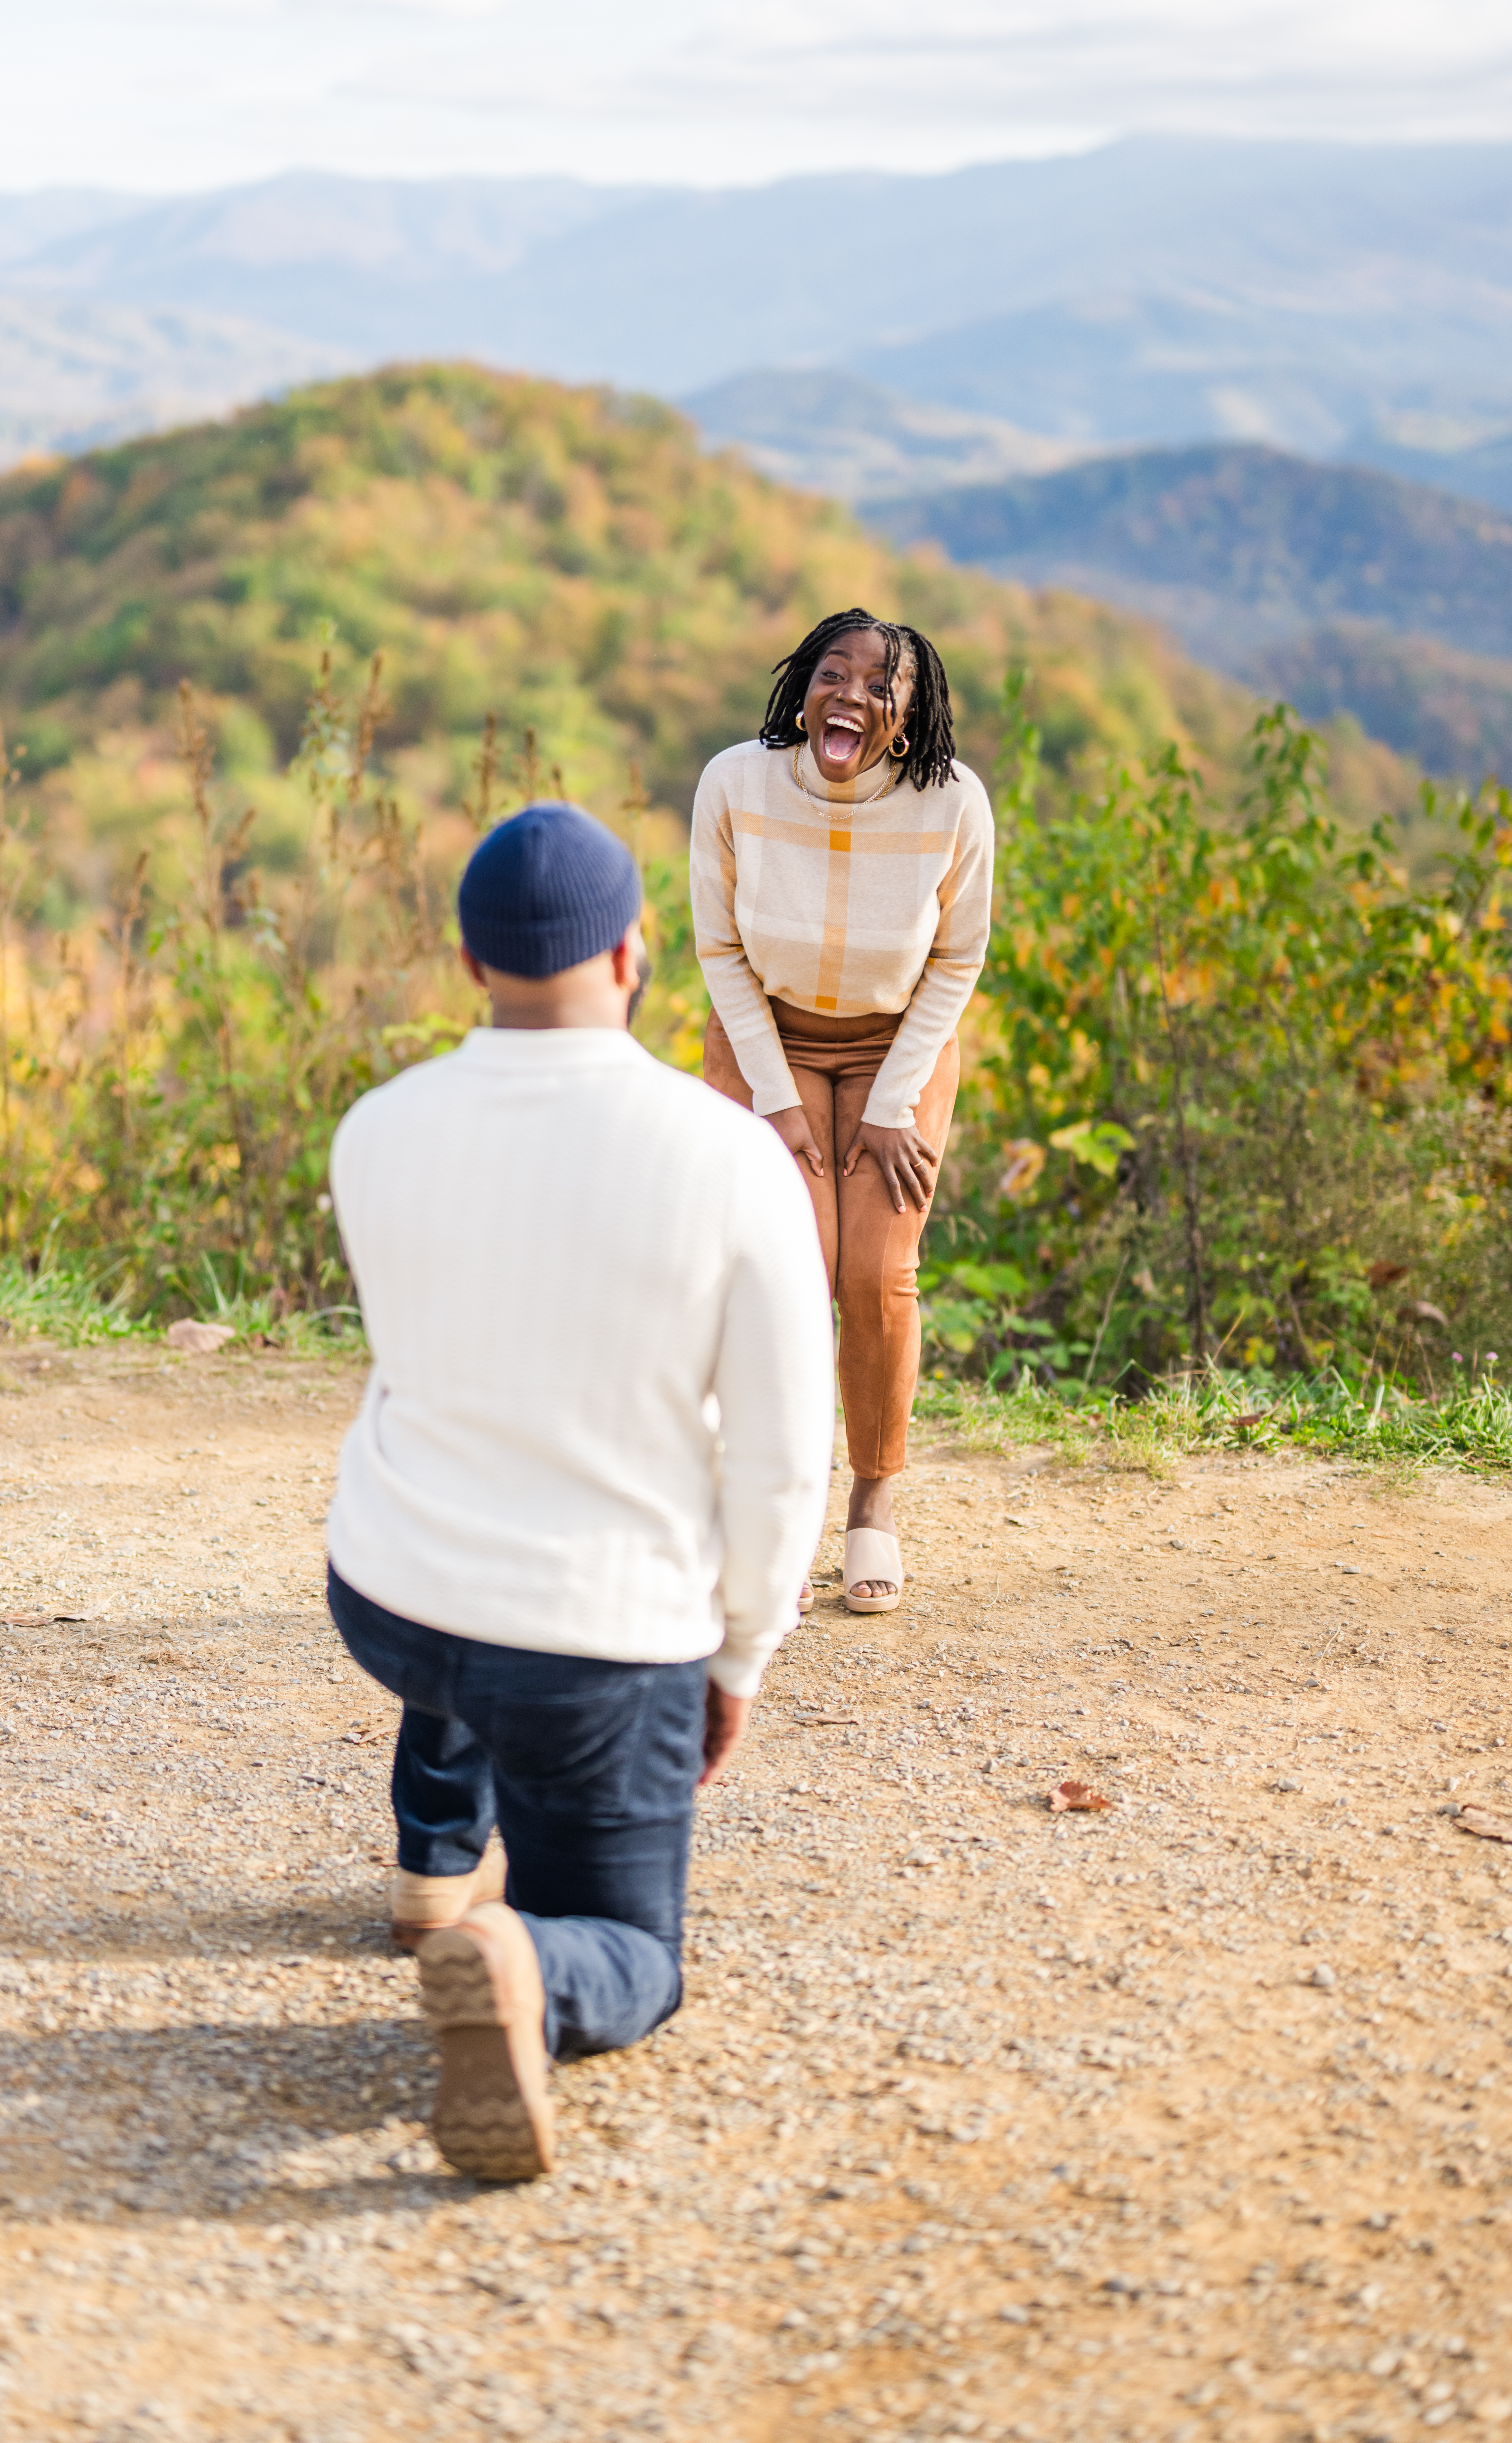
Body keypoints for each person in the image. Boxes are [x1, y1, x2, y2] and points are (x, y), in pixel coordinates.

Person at [324, 801, 834, 2181]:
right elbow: (784, 1454)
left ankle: (437, 1858)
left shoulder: (377, 1128)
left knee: (475, 1604)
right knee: (632, 1953)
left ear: (470, 959)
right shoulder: (728, 1158)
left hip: (391, 1598)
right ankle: (524, 1965)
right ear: (632, 957)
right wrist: (736, 1658)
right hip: (589, 1641)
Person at [690, 608, 994, 1615]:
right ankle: (763, 1502)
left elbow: (957, 961)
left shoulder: (952, 804)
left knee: (873, 1270)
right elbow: (719, 952)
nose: (852, 695)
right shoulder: (735, 782)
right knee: (787, 1268)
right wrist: (772, 1103)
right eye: (834, 674)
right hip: (760, 1034)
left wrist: (896, 1103)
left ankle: (872, 1503)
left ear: (907, 718)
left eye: (879, 686)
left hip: (892, 1048)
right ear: (802, 689)